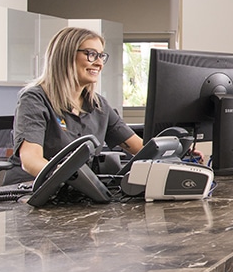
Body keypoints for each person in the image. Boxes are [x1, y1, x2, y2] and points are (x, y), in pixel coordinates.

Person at [8, 26, 144, 184]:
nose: (99, 63)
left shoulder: (98, 106)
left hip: (74, 192)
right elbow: (31, 160)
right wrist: (73, 180)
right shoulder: (34, 99)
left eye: (101, 56)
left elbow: (141, 148)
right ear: (66, 56)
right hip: (29, 191)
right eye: (91, 54)